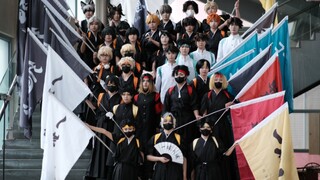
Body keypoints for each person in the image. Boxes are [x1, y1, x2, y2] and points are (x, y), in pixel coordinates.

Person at [200, 72, 238, 180]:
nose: (218, 82)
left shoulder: (228, 95)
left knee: (225, 152)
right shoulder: (207, 95)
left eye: (220, 80)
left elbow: (237, 106)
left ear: (224, 82)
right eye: (216, 80)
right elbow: (204, 114)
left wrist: (231, 105)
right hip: (211, 128)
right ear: (212, 81)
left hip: (224, 127)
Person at [85, 75, 122, 180]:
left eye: (113, 84)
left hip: (113, 126)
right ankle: (96, 173)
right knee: (99, 149)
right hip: (101, 124)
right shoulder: (101, 95)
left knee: (110, 150)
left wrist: (114, 115)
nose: (110, 85)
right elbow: (96, 109)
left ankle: (108, 174)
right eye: (109, 84)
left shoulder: (120, 98)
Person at [134, 73, 162, 179]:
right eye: (144, 81)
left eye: (148, 81)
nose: (145, 83)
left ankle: (149, 174)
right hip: (139, 128)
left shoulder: (156, 96)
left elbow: (158, 112)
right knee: (140, 150)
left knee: (150, 150)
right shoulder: (137, 97)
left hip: (151, 128)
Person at [163, 65, 201, 145]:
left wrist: (197, 115)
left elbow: (194, 104)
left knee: (187, 141)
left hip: (188, 120)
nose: (178, 76)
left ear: (186, 76)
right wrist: (166, 120)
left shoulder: (190, 89)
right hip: (174, 121)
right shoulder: (170, 90)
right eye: (176, 75)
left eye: (181, 74)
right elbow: (166, 107)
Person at [146, 113, 187, 180]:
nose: (168, 122)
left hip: (175, 170)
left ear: (173, 123)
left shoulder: (179, 138)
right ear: (162, 123)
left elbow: (184, 158)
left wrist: (184, 176)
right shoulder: (155, 137)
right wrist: (159, 159)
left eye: (170, 121)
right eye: (165, 121)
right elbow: (148, 156)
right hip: (159, 170)